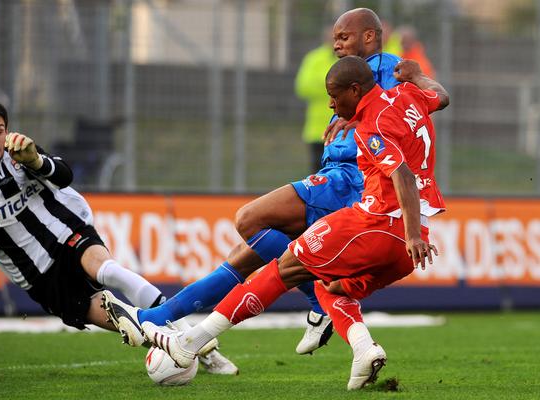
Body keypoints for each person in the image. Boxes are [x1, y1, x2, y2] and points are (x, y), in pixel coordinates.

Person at [105, 56, 449, 390]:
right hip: (408, 244)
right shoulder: (407, 94)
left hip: (376, 224)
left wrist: (412, 235)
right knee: (330, 287)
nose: (330, 105)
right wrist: (417, 75)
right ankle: (364, 350)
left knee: (281, 269)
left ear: (355, 90)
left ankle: (188, 343)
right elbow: (441, 96)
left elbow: (402, 174)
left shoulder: (373, 125)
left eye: (334, 96)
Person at [110, 8, 402, 357]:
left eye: (344, 37)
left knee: (249, 220)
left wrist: (377, 108)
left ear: (369, 36)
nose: (336, 44)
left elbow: (416, 106)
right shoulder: (347, 71)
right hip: (336, 171)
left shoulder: (392, 69)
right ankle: (155, 318)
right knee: (247, 255)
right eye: (335, 37)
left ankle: (317, 299)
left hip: (353, 179)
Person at [0, 99, 237, 375]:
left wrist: (36, 161)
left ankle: (201, 344)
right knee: (128, 325)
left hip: (68, 231)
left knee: (109, 270)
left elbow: (64, 176)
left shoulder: (21, 153)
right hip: (39, 275)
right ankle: (182, 345)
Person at [294, 24, 337, 173]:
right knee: (318, 175)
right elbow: (303, 87)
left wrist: (323, 84)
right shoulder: (314, 58)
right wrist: (334, 86)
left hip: (342, 129)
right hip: (318, 130)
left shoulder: (349, 58)